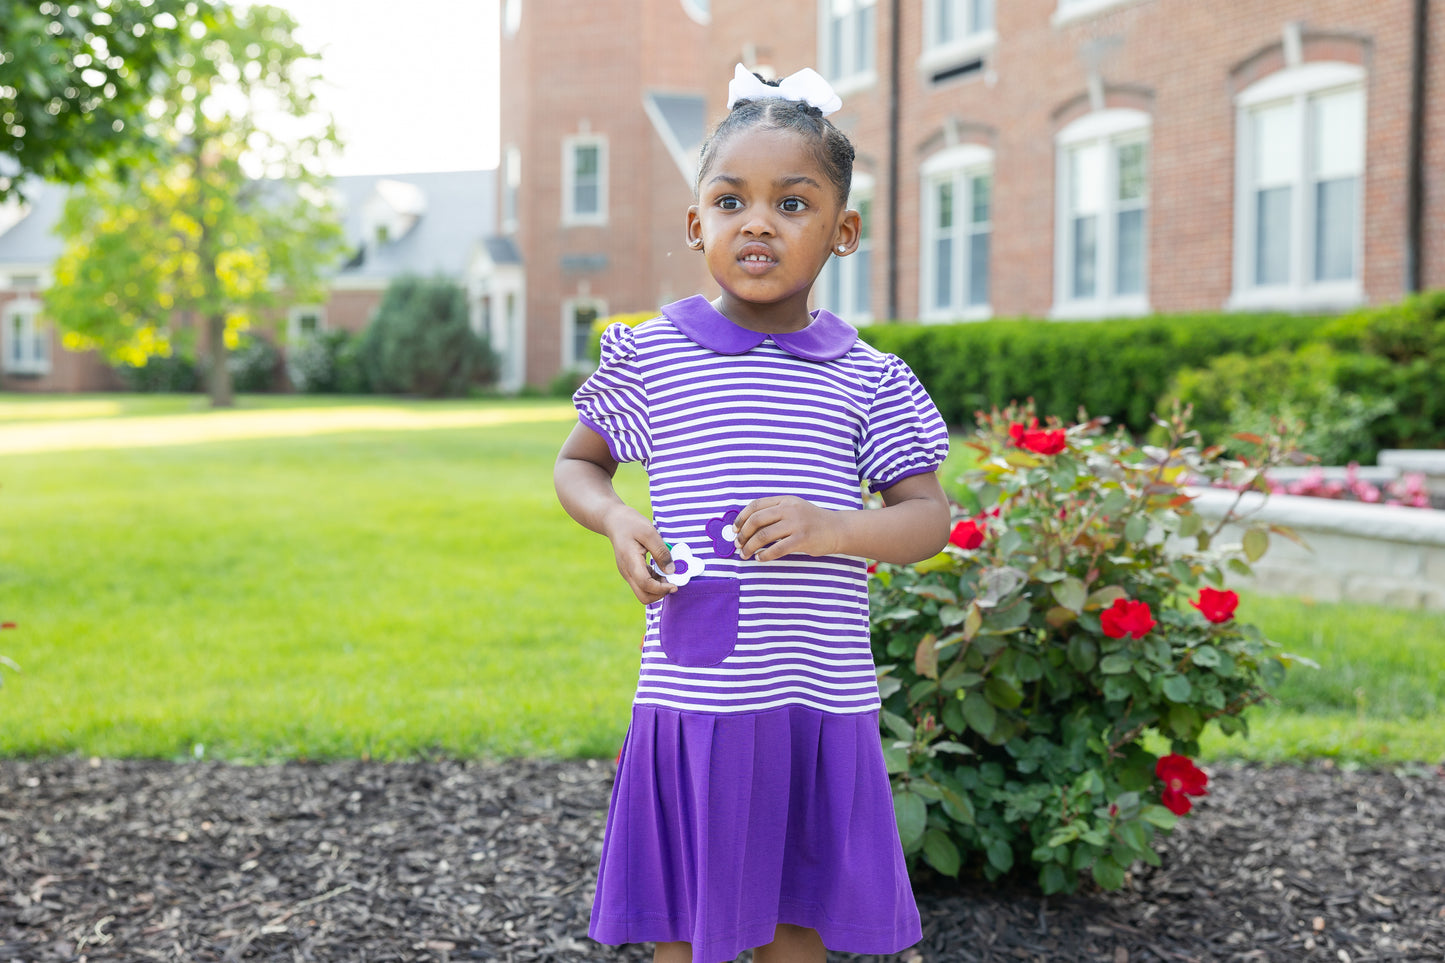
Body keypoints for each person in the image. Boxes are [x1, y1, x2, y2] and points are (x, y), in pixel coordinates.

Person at [554, 64, 951, 963]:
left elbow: (928, 518)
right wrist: (617, 521)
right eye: (731, 201)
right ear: (697, 224)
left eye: (792, 203)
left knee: (794, 926)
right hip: (698, 694)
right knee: (688, 926)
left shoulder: (869, 378)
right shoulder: (650, 356)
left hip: (816, 692)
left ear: (842, 231)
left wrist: (835, 526)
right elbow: (579, 463)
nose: (758, 222)